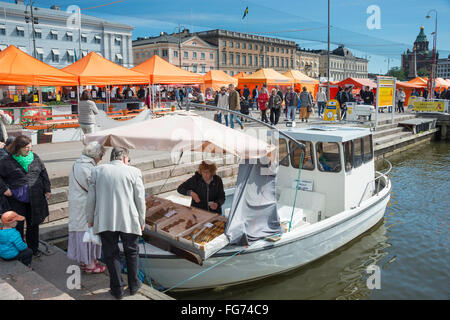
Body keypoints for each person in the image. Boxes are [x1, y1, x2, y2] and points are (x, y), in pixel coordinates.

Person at [86, 147, 146, 299]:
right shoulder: (134, 172)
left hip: (106, 218)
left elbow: (91, 198)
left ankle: (117, 288)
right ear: (125, 158)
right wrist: (142, 219)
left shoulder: (98, 171)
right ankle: (133, 285)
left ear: (112, 158)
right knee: (132, 251)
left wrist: (90, 219)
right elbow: (140, 199)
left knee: (111, 253)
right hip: (129, 219)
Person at [0, 135, 51, 257]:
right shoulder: (6, 161)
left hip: (35, 197)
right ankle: (18, 251)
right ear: (18, 148)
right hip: (16, 199)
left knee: (33, 224)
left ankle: (33, 249)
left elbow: (44, 173)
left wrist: (47, 189)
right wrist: (4, 189)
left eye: (30, 147)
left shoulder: (35, 158)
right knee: (18, 224)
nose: (29, 150)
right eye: (26, 148)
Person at [67, 142, 106, 274]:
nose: (101, 159)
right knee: (88, 233)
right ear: (96, 155)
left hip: (77, 203)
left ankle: (86, 260)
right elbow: (93, 187)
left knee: (82, 232)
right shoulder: (87, 167)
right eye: (101, 155)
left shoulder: (78, 164)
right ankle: (90, 264)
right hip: (84, 205)